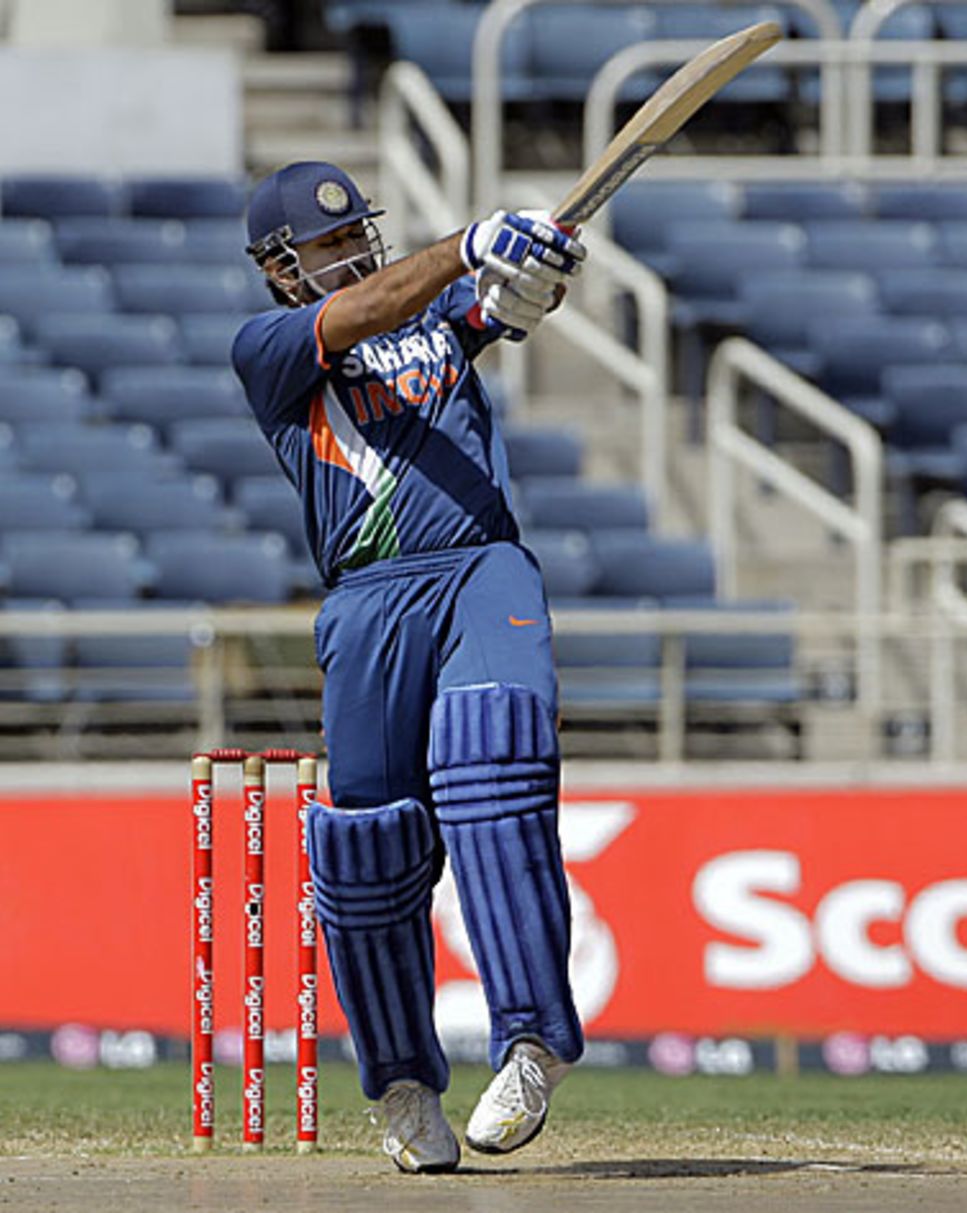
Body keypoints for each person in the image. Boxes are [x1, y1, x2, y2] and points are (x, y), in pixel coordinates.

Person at [232, 160, 587, 1174]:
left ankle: (531, 1040)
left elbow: (491, 309)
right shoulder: (268, 349)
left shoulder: (429, 320)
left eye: (357, 238)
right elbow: (389, 303)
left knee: (495, 768)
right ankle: (399, 1082)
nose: (352, 256)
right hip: (367, 599)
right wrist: (469, 246)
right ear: (279, 269)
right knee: (368, 854)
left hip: (478, 565)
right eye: (327, 247)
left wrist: (530, 283)